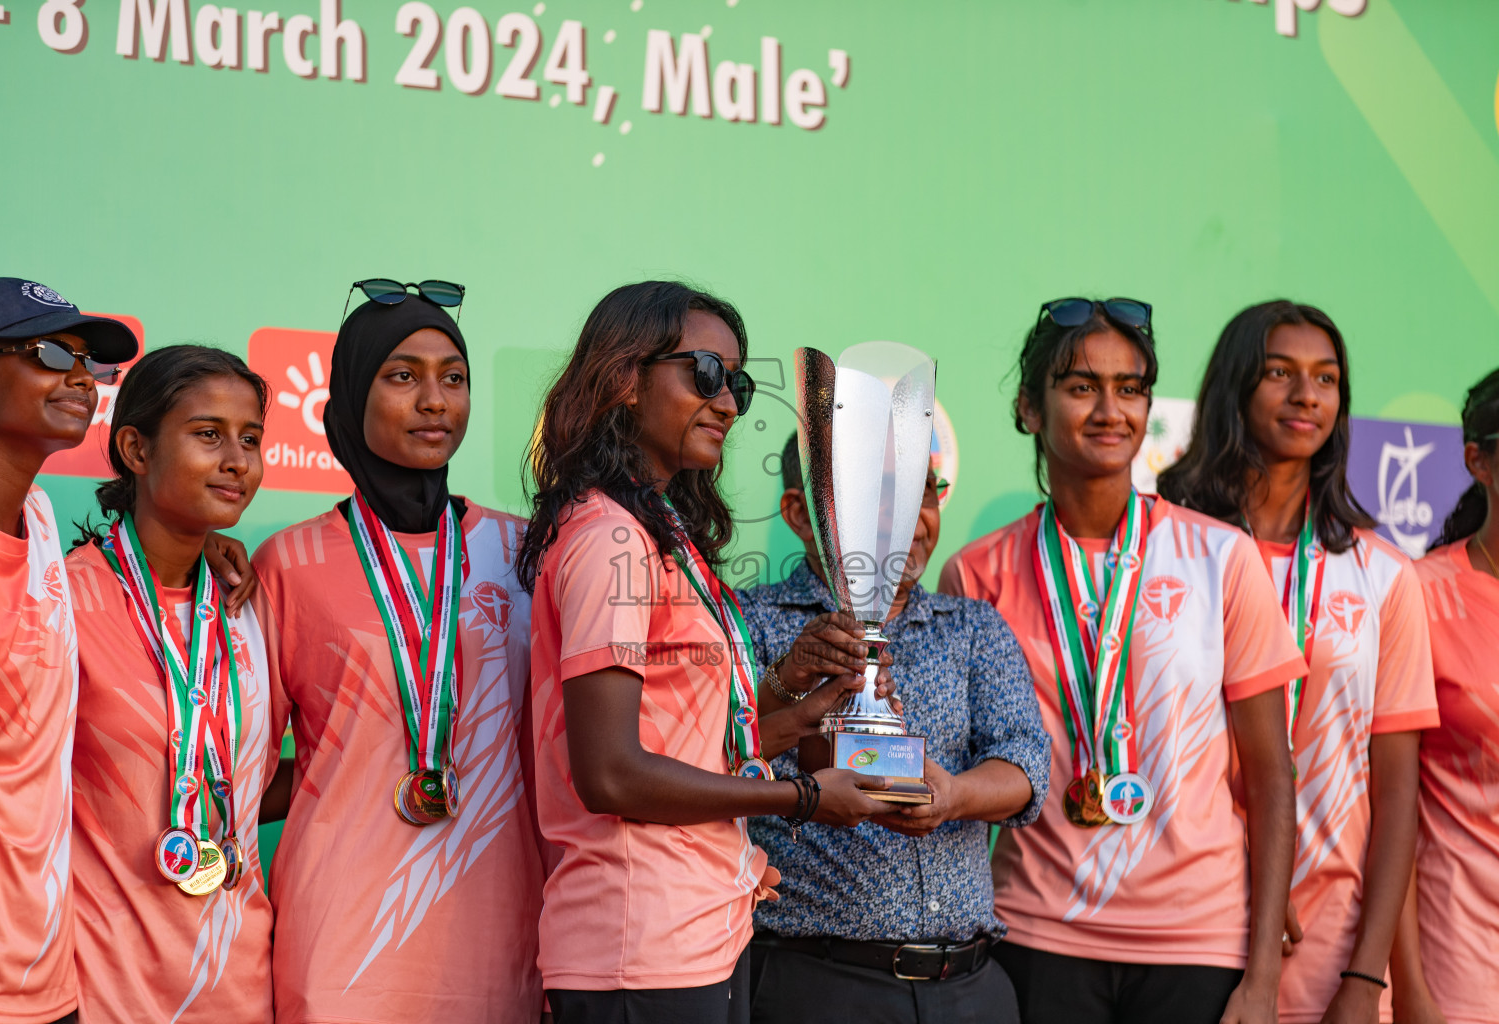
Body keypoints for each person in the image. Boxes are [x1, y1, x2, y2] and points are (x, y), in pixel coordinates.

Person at [518, 280, 894, 1024]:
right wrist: (807, 798)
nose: (727, 403)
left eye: (740, 384)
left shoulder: (658, 534)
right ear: (626, 378)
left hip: (700, 938)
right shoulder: (610, 538)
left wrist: (795, 706)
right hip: (638, 948)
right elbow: (611, 774)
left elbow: (685, 742)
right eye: (707, 373)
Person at [939, 297, 1304, 1024]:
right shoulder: (976, 573)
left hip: (1196, 943)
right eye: (1081, 386)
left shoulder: (1220, 557)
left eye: (1130, 388)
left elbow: (1270, 773)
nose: (1110, 409)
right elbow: (965, 782)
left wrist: (1262, 978)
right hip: (1036, 933)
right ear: (1029, 409)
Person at [253, 282, 547, 1023]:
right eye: (402, 376)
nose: (435, 401)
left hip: (500, 914)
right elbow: (240, 766)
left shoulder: (521, 552)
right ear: (351, 397)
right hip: (341, 925)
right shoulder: (289, 560)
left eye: (454, 377)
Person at [1157, 301, 1437, 1024]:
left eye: (1326, 378)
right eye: (1279, 373)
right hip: (1186, 915)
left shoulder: (1383, 575)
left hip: (1330, 935)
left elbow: (1397, 790)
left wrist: (1367, 978)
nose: (1306, 395)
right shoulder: (1164, 551)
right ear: (1235, 387)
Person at [737, 434, 1050, 1024]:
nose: (904, 520)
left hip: (969, 987)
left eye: (920, 494)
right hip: (815, 984)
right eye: (871, 498)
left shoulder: (972, 627)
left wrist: (954, 795)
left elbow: (1025, 764)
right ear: (801, 516)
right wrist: (787, 677)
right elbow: (711, 752)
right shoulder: (747, 621)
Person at [65, 346, 284, 1022]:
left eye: (251, 439)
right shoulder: (62, 597)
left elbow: (261, 780)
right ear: (135, 448)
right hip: (99, 984)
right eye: (208, 434)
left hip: (238, 985)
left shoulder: (252, 602)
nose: (237, 460)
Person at [0, 277, 138, 1024]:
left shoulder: (44, 518)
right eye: (51, 353)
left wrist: (210, 549)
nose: (82, 379)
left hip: (46, 979)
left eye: (92, 364)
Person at [1389, 362, 1499, 1024]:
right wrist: (1408, 987)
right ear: (1479, 459)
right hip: (1469, 972)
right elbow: (1388, 806)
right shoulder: (1418, 593)